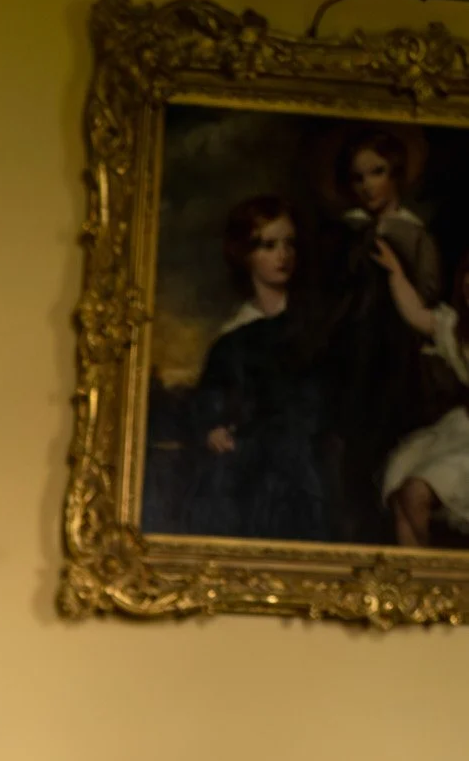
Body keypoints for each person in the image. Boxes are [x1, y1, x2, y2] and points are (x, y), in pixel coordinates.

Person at [183, 195, 332, 543]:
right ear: (245, 254)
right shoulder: (232, 337)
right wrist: (213, 427)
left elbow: (326, 394)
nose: (284, 255)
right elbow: (211, 396)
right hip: (251, 455)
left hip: (307, 450)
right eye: (269, 245)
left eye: (289, 244)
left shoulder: (316, 323)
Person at [324, 125, 445, 539]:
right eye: (358, 178)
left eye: (376, 173)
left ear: (395, 174)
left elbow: (429, 302)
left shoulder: (414, 236)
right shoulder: (345, 233)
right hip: (349, 358)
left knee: (388, 458)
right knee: (345, 456)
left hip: (397, 363)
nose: (367, 186)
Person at [375, 240, 469, 545]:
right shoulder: (456, 330)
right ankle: (416, 585)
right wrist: (396, 274)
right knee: (402, 491)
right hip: (461, 430)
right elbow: (417, 313)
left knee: (416, 491)